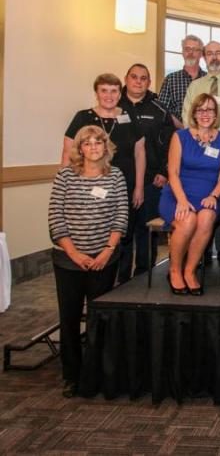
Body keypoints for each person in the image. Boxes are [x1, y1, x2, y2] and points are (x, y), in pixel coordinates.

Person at [48, 126, 129, 398]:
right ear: (79, 148)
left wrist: (107, 251)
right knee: (69, 319)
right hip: (68, 261)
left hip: (104, 259)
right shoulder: (64, 176)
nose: (93, 147)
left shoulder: (115, 176)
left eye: (99, 142)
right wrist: (75, 254)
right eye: (88, 143)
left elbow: (121, 215)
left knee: (99, 318)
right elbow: (56, 219)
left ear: (106, 147)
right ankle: (72, 375)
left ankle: (96, 374)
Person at [61, 73, 146, 285]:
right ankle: (89, 280)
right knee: (91, 234)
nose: (109, 95)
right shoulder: (83, 117)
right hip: (85, 189)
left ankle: (120, 284)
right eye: (104, 90)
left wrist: (138, 187)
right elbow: (67, 152)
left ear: (120, 92)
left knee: (122, 235)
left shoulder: (129, 116)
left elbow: (140, 152)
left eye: (114, 90)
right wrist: (64, 185)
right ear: (97, 93)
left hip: (121, 186)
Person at [159, 93, 220, 295]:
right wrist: (181, 200)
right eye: (201, 109)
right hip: (177, 193)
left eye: (210, 109)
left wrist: (214, 196)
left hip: (208, 195)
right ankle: (175, 270)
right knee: (188, 220)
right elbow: (172, 172)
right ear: (194, 113)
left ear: (216, 114)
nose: (205, 114)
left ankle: (190, 271)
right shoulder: (180, 136)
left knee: (207, 217)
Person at [119, 64, 175, 280]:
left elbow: (172, 143)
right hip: (121, 179)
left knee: (145, 231)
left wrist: (164, 172)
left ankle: (143, 275)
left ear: (149, 82)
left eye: (143, 78)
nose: (138, 82)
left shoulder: (158, 108)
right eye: (134, 77)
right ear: (126, 79)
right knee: (122, 230)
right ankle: (122, 278)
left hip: (153, 179)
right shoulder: (115, 106)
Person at [159, 34, 206, 129]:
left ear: (201, 54)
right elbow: (162, 110)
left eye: (195, 50)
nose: (190, 53)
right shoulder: (170, 79)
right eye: (187, 49)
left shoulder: (208, 79)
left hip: (205, 134)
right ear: (182, 52)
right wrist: (184, 128)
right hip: (177, 134)